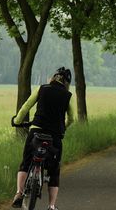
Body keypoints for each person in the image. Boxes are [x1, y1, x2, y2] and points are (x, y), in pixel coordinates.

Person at [11, 67, 74, 210]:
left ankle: (19, 194)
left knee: (26, 163)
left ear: (53, 77)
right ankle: (51, 206)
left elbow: (26, 106)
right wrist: (63, 127)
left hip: (36, 132)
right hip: (55, 136)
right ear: (67, 82)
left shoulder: (42, 89)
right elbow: (72, 118)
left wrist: (18, 120)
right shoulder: (67, 95)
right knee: (54, 171)